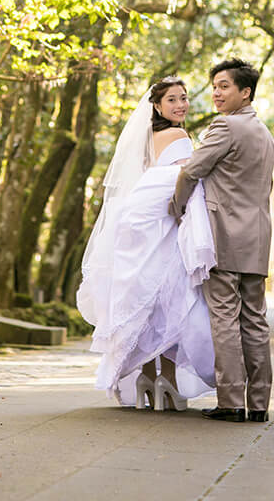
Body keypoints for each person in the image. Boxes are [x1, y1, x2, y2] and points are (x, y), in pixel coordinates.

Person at [77, 77, 216, 410]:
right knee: (171, 299)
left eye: (184, 98)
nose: (181, 105)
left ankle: (146, 378)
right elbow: (186, 181)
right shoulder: (180, 136)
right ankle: (166, 377)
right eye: (172, 100)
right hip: (163, 224)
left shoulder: (145, 139)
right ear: (156, 106)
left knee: (142, 299)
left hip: (136, 223)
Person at [169, 58, 274, 423]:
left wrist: (178, 207)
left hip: (225, 236)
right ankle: (258, 403)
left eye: (225, 86)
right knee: (256, 320)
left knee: (225, 318)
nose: (216, 92)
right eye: (214, 85)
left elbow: (191, 171)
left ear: (245, 92)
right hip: (258, 238)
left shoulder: (226, 127)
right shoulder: (264, 133)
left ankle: (231, 401)